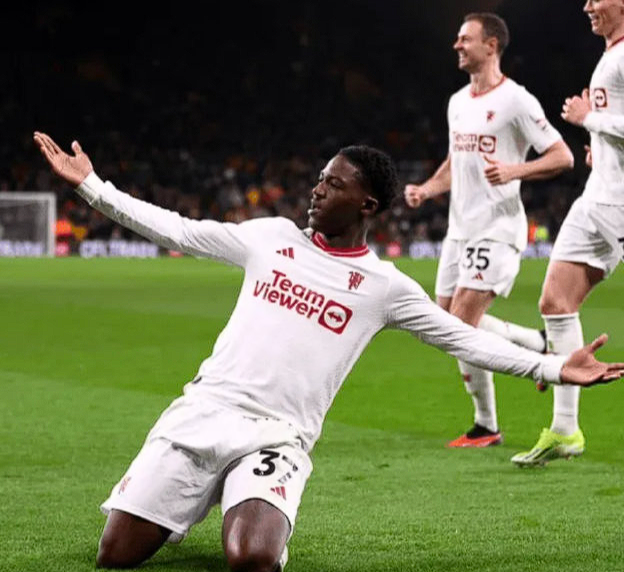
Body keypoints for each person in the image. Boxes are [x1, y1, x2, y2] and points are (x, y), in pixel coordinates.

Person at [34, 131, 622, 571]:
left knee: (251, 559)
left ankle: (253, 505)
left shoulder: (384, 287)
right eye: (320, 178)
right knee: (116, 555)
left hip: (276, 436)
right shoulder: (270, 238)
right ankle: (204, 490)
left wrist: (554, 366)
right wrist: (92, 186)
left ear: (367, 205)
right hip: (204, 412)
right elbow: (179, 229)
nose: (317, 189)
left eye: (334, 183)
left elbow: (462, 336)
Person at [404, 12, 574, 448]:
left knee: (462, 324)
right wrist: (427, 189)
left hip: (497, 229)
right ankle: (536, 344)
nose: (457, 46)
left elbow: (562, 156)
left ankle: (486, 425)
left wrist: (516, 170)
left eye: (465, 39)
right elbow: (453, 161)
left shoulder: (516, 100)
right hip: (459, 231)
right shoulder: (458, 102)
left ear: (491, 45)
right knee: (445, 324)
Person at [512, 0, 624, 467]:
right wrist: (601, 147)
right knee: (555, 302)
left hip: (620, 205)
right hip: (597, 197)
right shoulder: (610, 54)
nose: (587, 6)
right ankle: (565, 431)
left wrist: (588, 120)